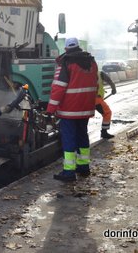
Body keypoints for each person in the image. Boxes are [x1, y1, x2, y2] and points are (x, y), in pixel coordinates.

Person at [46, 37, 98, 182]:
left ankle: (69, 172)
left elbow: (58, 88)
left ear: (66, 49)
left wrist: (50, 110)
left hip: (69, 110)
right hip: (86, 109)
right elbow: (97, 84)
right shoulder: (92, 62)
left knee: (69, 138)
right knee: (83, 135)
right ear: (79, 47)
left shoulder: (66, 63)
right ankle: (83, 166)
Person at [96, 71, 116, 139]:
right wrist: (113, 89)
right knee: (107, 113)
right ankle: (104, 132)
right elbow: (109, 80)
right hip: (96, 99)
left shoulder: (80, 72)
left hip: (84, 99)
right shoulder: (99, 73)